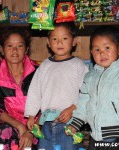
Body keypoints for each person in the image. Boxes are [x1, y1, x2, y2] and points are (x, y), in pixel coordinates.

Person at [24, 22, 88, 150]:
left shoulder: (79, 66)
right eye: (54, 39)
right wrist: (31, 115)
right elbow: (35, 91)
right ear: (48, 42)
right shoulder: (45, 66)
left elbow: (87, 93)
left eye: (64, 38)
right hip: (46, 124)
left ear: (74, 41)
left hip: (69, 125)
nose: (59, 42)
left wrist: (72, 108)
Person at [69, 26, 119, 150]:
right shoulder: (90, 76)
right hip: (95, 135)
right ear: (91, 52)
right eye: (96, 49)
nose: (102, 53)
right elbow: (83, 102)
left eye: (107, 47)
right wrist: (76, 123)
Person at [0, 27, 39, 150]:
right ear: (1, 50)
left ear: (26, 49)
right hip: (9, 127)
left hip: (36, 125)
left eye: (20, 46)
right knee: (4, 131)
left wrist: (31, 131)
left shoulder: (39, 72)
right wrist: (20, 126)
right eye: (9, 46)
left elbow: (46, 104)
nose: (14, 50)